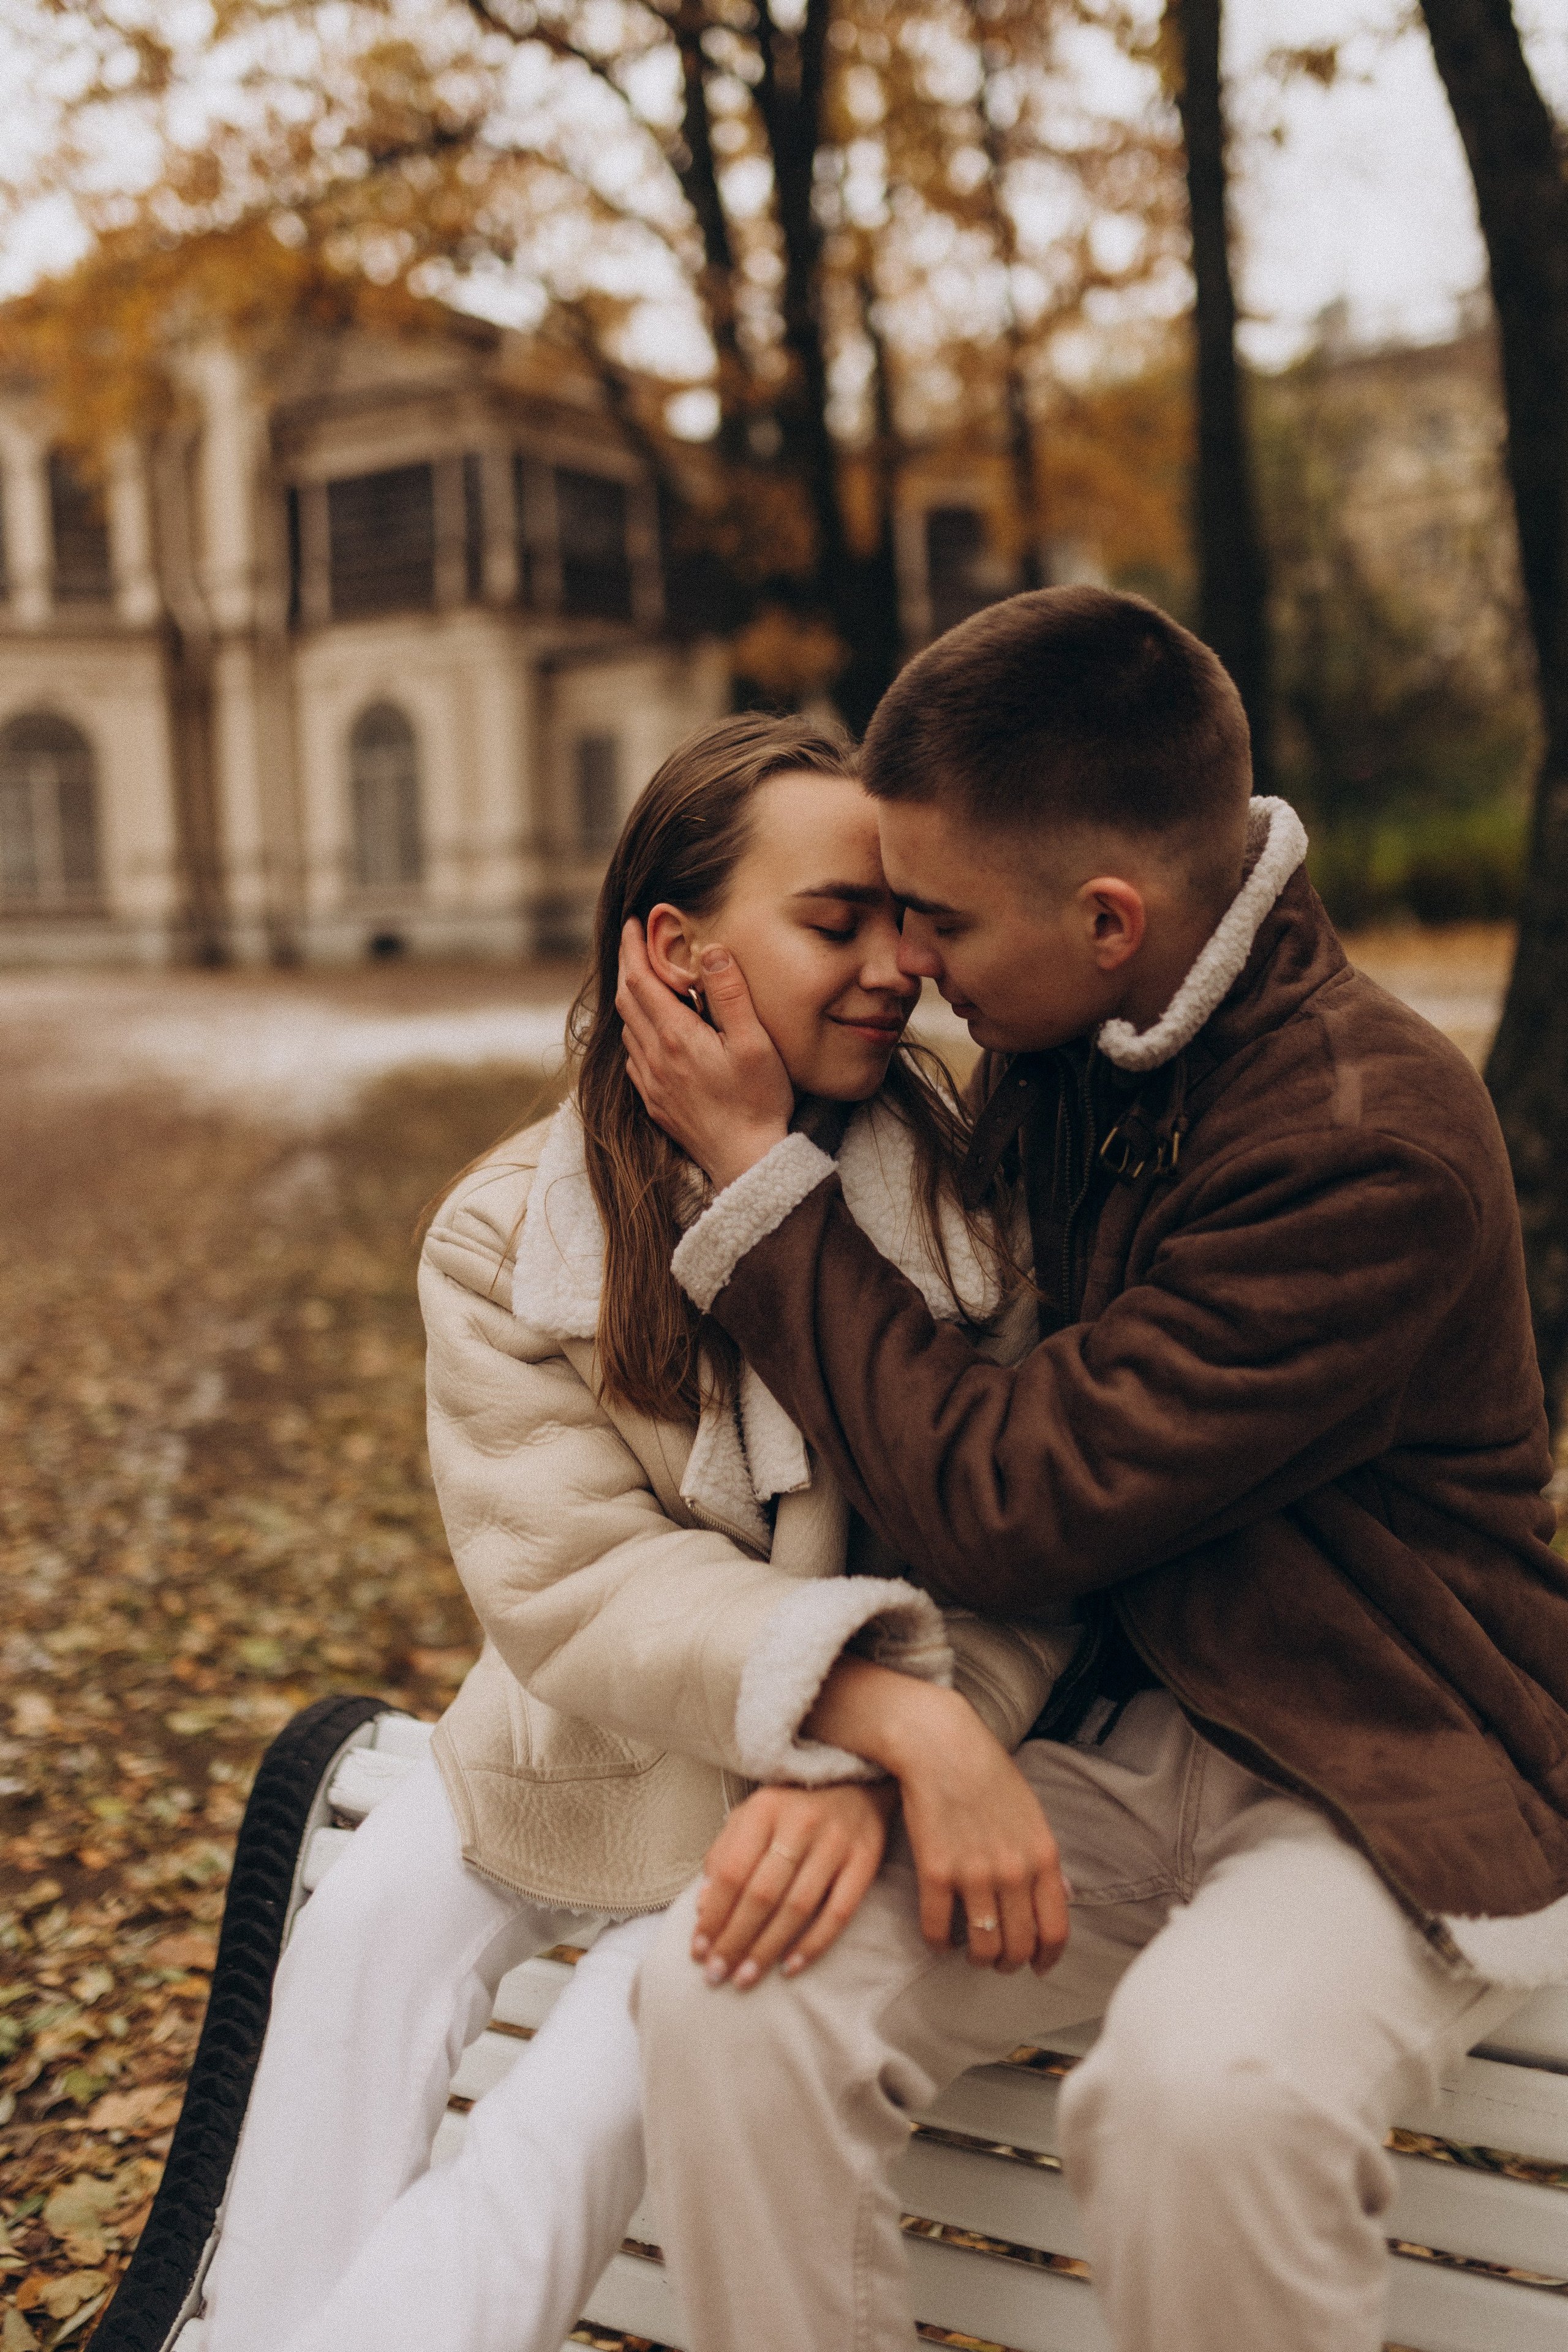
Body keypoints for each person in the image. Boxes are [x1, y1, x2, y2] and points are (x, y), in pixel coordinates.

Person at [617, 587, 1568, 2352]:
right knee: (726, 1995)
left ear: (1111, 919)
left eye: (941, 917)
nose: (913, 965)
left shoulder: (1369, 1150)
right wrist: (890, 1731)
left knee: (1203, 2099)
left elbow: (1007, 1498)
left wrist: (759, 1184)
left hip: (1379, 1776)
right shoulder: (1079, 1049)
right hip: (1112, 1749)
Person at [197, 713, 1071, 2352]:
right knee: (361, 1950)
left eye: (905, 917)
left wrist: (892, 1749)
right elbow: (576, 1582)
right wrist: (879, 1706)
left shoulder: (975, 1219)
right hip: (575, 1739)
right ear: (677, 953)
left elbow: (1034, 1553)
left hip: (803, 1801)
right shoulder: (503, 1235)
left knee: (591, 2092)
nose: (894, 965)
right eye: (836, 921)